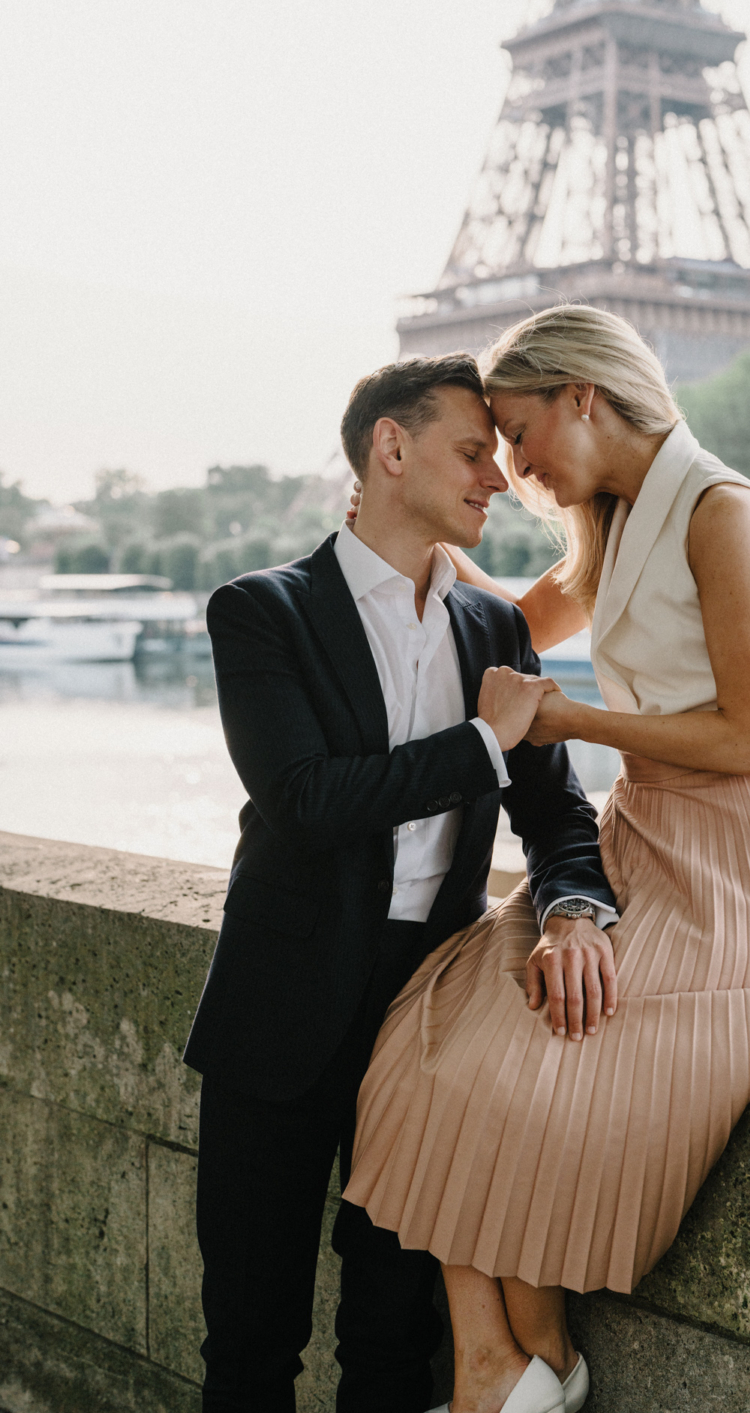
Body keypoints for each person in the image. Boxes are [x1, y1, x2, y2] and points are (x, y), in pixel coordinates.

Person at [343, 306, 750, 1413]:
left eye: (522, 433)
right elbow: (517, 625)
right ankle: (508, 1357)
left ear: (583, 394)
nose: (516, 465)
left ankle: (533, 1363)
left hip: (737, 867)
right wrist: (409, 530)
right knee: (423, 1041)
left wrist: (569, 724)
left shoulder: (721, 512)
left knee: (543, 1062)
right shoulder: (618, 520)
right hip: (638, 840)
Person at [183, 352, 617, 1413]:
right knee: (250, 1344)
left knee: (390, 1343)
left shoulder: (493, 626)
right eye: (474, 452)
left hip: (425, 1021)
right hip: (279, 1019)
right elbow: (307, 800)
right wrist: (481, 742)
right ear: (390, 447)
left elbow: (556, 810)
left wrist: (572, 910)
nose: (495, 478)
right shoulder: (260, 611)